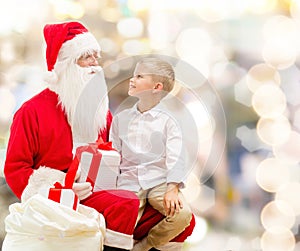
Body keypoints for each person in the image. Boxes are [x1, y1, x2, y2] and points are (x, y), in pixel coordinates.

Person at [3, 21, 139, 251]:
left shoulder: (101, 113)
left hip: (99, 191)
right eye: (86, 57)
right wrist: (58, 188)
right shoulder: (31, 112)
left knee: (171, 217)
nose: (95, 65)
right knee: (125, 204)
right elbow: (15, 169)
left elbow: (118, 153)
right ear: (65, 65)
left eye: (96, 57)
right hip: (54, 201)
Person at [110, 57, 193, 251]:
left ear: (156, 87)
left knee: (182, 215)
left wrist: (173, 188)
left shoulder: (169, 121)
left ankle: (145, 246)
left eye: (139, 76)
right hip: (128, 181)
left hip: (158, 182)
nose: (132, 79)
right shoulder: (121, 119)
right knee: (123, 217)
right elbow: (114, 153)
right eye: (133, 75)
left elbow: (177, 156)